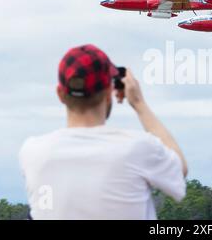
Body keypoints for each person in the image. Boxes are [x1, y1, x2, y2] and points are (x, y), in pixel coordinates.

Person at [19, 44, 188, 219]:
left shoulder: (32, 152)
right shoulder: (138, 148)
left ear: (60, 94)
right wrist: (139, 103)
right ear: (109, 93)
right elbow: (179, 168)